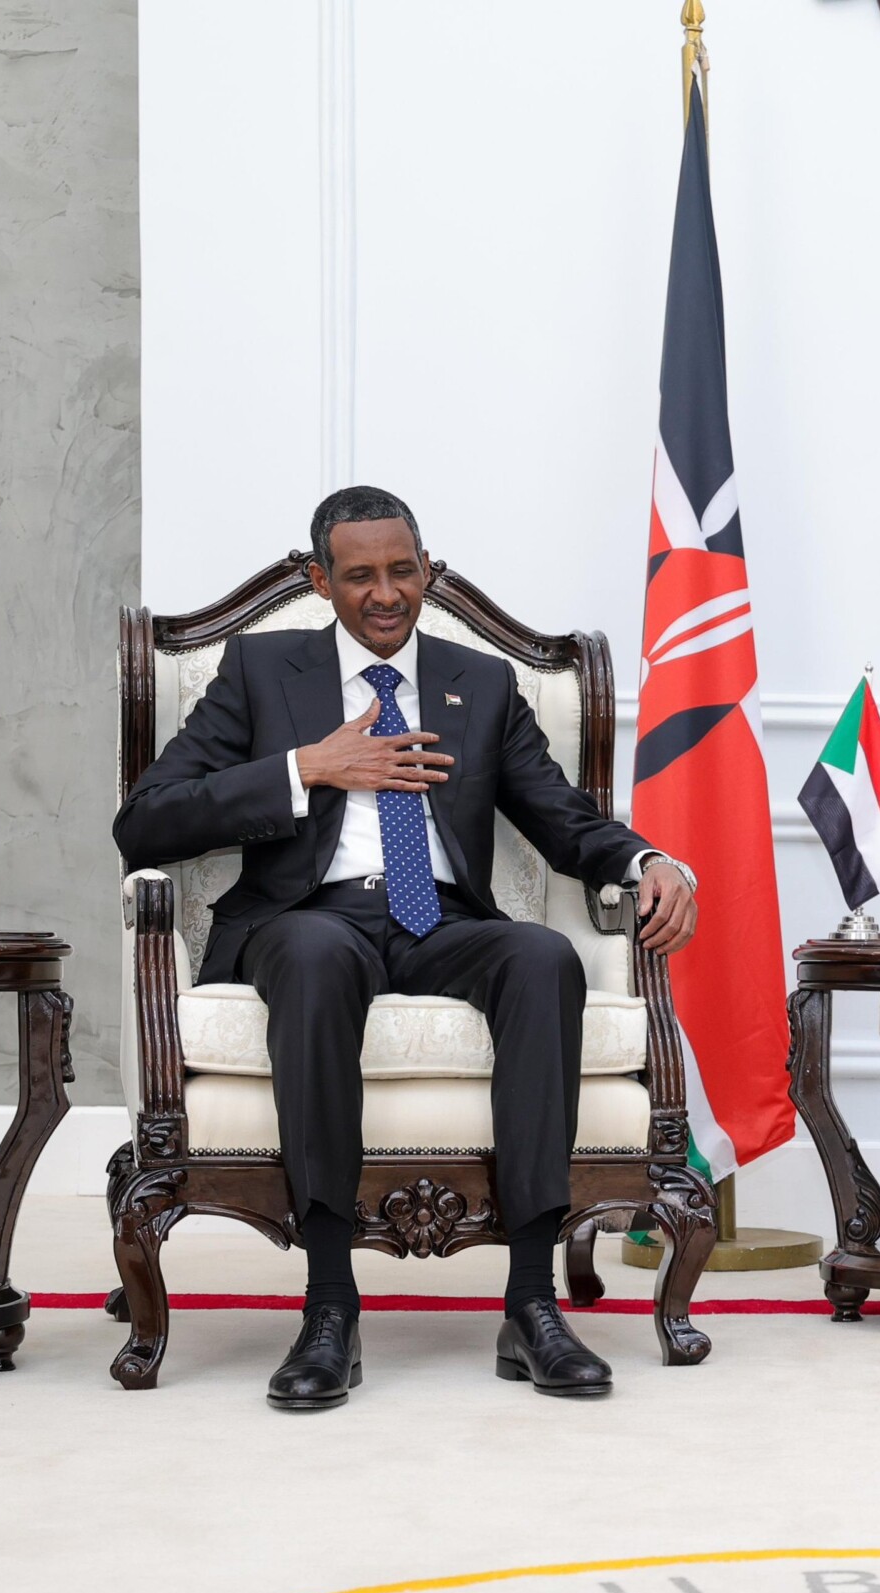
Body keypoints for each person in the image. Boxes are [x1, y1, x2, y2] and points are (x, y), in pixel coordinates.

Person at [113, 486, 699, 1414]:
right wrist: (308, 768)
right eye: (360, 576)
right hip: (309, 917)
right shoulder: (262, 672)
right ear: (321, 582)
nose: (385, 594)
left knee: (543, 959)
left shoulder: (483, 683)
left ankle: (532, 1305)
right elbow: (143, 822)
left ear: (426, 569)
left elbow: (561, 816)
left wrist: (648, 859)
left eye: (402, 571)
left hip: (440, 922)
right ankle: (329, 1307)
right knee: (315, 958)